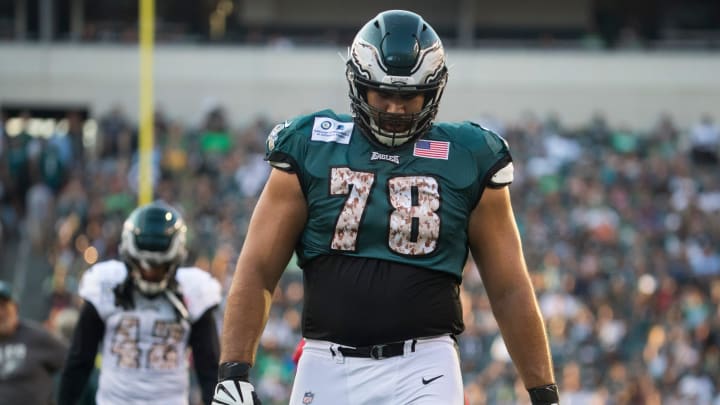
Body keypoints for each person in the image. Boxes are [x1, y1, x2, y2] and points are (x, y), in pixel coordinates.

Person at [212, 10, 558, 405]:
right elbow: (257, 269)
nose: (395, 108)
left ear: (433, 91)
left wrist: (543, 392)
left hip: (424, 365)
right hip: (327, 362)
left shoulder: (468, 156)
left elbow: (509, 286)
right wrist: (233, 371)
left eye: (408, 96)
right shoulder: (312, 145)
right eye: (384, 93)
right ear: (359, 85)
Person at [58, 201, 222, 405]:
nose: (151, 273)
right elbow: (79, 361)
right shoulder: (107, 285)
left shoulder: (193, 291)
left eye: (160, 266)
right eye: (144, 265)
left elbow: (209, 371)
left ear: (176, 259)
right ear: (129, 256)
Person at [0, 280, 68, 405]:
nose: (1, 313)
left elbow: (74, 363)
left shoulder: (37, 337)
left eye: (4, 305)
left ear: (15, 308)